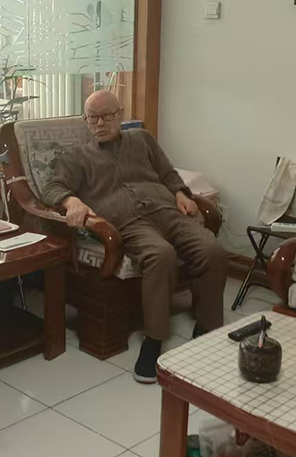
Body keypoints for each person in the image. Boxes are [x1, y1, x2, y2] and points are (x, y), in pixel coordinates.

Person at [43, 91, 228, 383]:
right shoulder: (76, 156)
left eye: (107, 115)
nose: (100, 123)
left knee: (212, 250)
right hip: (128, 222)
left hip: (168, 210)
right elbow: (53, 187)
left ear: (120, 114)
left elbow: (167, 173)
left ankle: (208, 328)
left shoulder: (142, 139)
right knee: (161, 255)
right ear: (85, 120)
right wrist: (71, 200)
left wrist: (181, 193)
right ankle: (154, 340)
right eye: (93, 117)